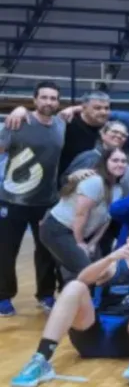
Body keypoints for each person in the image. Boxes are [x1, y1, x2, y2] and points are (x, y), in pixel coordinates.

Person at [11, 224, 129, 387]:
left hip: (127, 337)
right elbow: (83, 278)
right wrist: (110, 258)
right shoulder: (113, 265)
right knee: (75, 286)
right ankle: (40, 360)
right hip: (92, 333)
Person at [0, 80, 66, 316]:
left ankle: (46, 295)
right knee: (6, 251)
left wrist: (76, 109)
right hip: (12, 201)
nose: (49, 102)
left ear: (58, 102)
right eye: (44, 97)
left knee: (46, 250)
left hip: (46, 201)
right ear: (35, 99)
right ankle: (3, 296)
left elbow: (78, 110)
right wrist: (18, 109)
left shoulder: (60, 124)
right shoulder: (18, 122)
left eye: (53, 98)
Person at [40, 147, 128, 281]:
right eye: (115, 160)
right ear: (105, 162)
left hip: (80, 234)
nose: (120, 164)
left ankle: (81, 300)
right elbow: (81, 214)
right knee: (85, 271)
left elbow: (106, 220)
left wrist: (92, 243)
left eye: (123, 161)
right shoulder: (95, 181)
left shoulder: (117, 189)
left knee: (98, 272)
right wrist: (80, 242)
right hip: (58, 229)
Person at [61, 120, 129, 180]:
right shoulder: (89, 157)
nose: (119, 136)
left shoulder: (126, 161)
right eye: (115, 132)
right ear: (103, 134)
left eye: (123, 135)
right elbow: (64, 181)